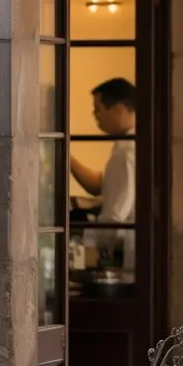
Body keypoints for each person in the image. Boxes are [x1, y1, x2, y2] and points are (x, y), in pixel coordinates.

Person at [70, 78, 136, 269]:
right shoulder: (133, 145)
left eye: (98, 108)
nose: (95, 115)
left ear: (118, 108)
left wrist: (88, 241)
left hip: (124, 250)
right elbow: (101, 184)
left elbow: (114, 216)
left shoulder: (125, 152)